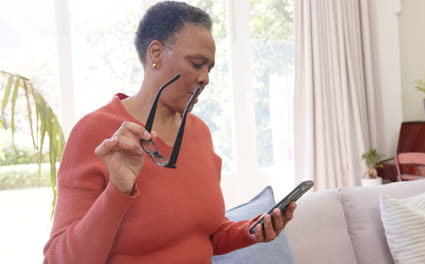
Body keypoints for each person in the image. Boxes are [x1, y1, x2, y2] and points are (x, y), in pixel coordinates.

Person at [43, 1, 297, 263]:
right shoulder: (95, 131)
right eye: (197, 63)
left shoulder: (199, 132)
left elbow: (202, 235)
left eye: (209, 68)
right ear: (155, 54)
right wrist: (117, 189)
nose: (205, 78)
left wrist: (251, 232)